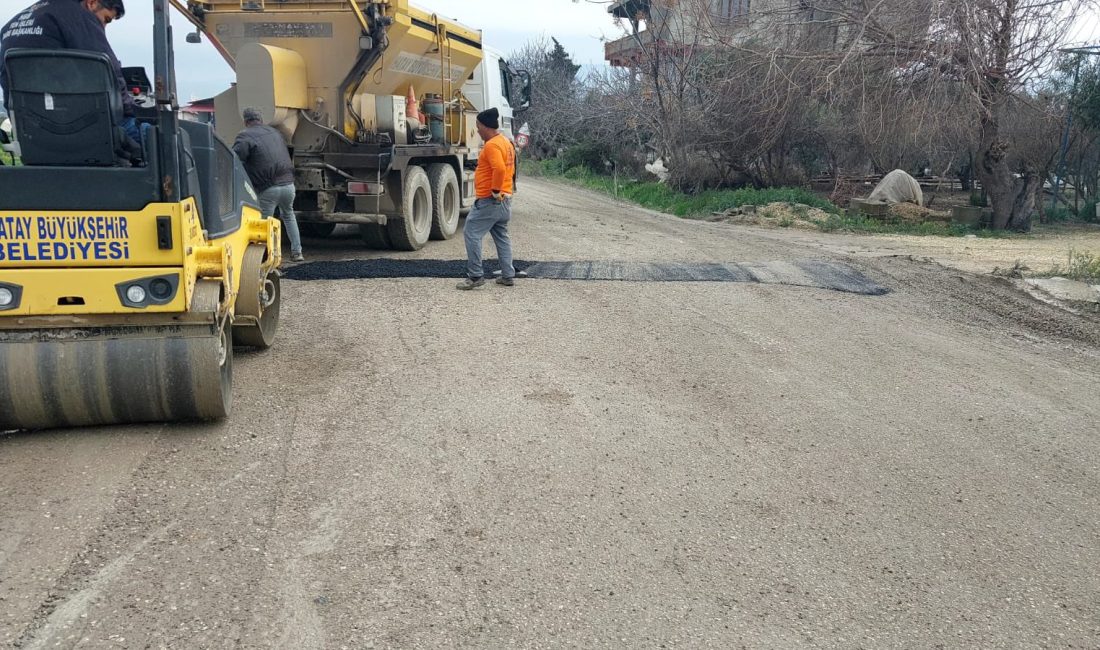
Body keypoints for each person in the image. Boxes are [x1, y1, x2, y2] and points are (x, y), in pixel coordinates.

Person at [0, 0, 140, 159]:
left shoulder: (11, 25)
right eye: (106, 19)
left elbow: (6, 82)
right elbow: (111, 71)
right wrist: (131, 111)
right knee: (152, 133)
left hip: (33, 134)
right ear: (92, 3)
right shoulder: (78, 15)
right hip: (80, 130)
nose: (104, 27)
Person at [233, 107, 304, 262]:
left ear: (245, 121)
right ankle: (297, 252)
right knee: (289, 215)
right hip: (288, 184)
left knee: (265, 223)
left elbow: (236, 159)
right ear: (261, 120)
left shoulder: (244, 136)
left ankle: (267, 256)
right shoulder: (275, 133)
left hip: (268, 187)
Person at [457, 107, 516, 290]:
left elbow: (499, 168)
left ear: (486, 126)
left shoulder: (491, 145)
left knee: (471, 233)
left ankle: (475, 276)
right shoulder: (505, 142)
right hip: (505, 200)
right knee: (501, 236)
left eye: (478, 126)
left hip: (491, 200)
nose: (478, 131)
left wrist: (496, 191)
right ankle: (508, 275)